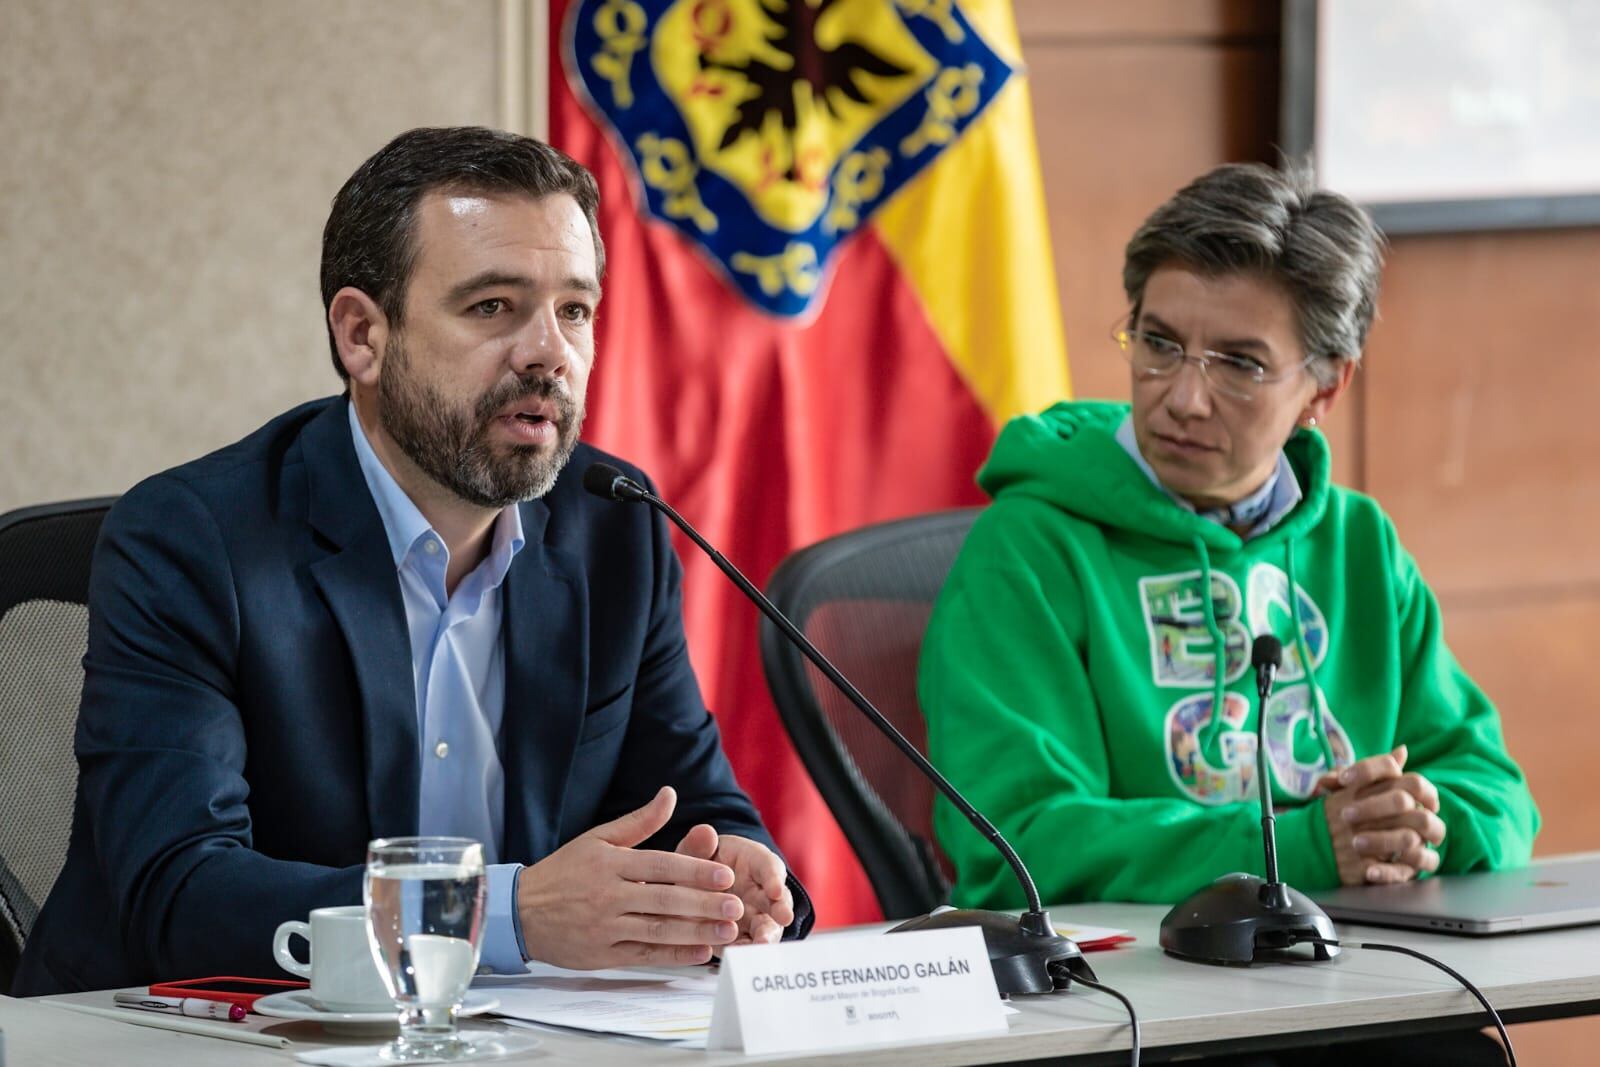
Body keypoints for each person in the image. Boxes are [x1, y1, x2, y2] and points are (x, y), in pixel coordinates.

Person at [16, 126, 810, 996]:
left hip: (500, 1040)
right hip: (182, 1035)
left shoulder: (611, 523)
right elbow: (180, 896)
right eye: (493, 307)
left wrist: (740, 879)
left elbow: (694, 806)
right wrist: (503, 914)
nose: (551, 352)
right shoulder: (191, 539)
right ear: (362, 335)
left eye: (575, 310)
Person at [919, 161, 1538, 912]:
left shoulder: (1359, 544)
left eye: (1240, 364)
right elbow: (1019, 839)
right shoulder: (1029, 548)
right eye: (1159, 343)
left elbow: (1498, 794)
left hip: (1358, 969)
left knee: (1469, 1036)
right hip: (1137, 999)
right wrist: (1302, 849)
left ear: (1325, 387)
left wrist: (1410, 827)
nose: (1182, 397)